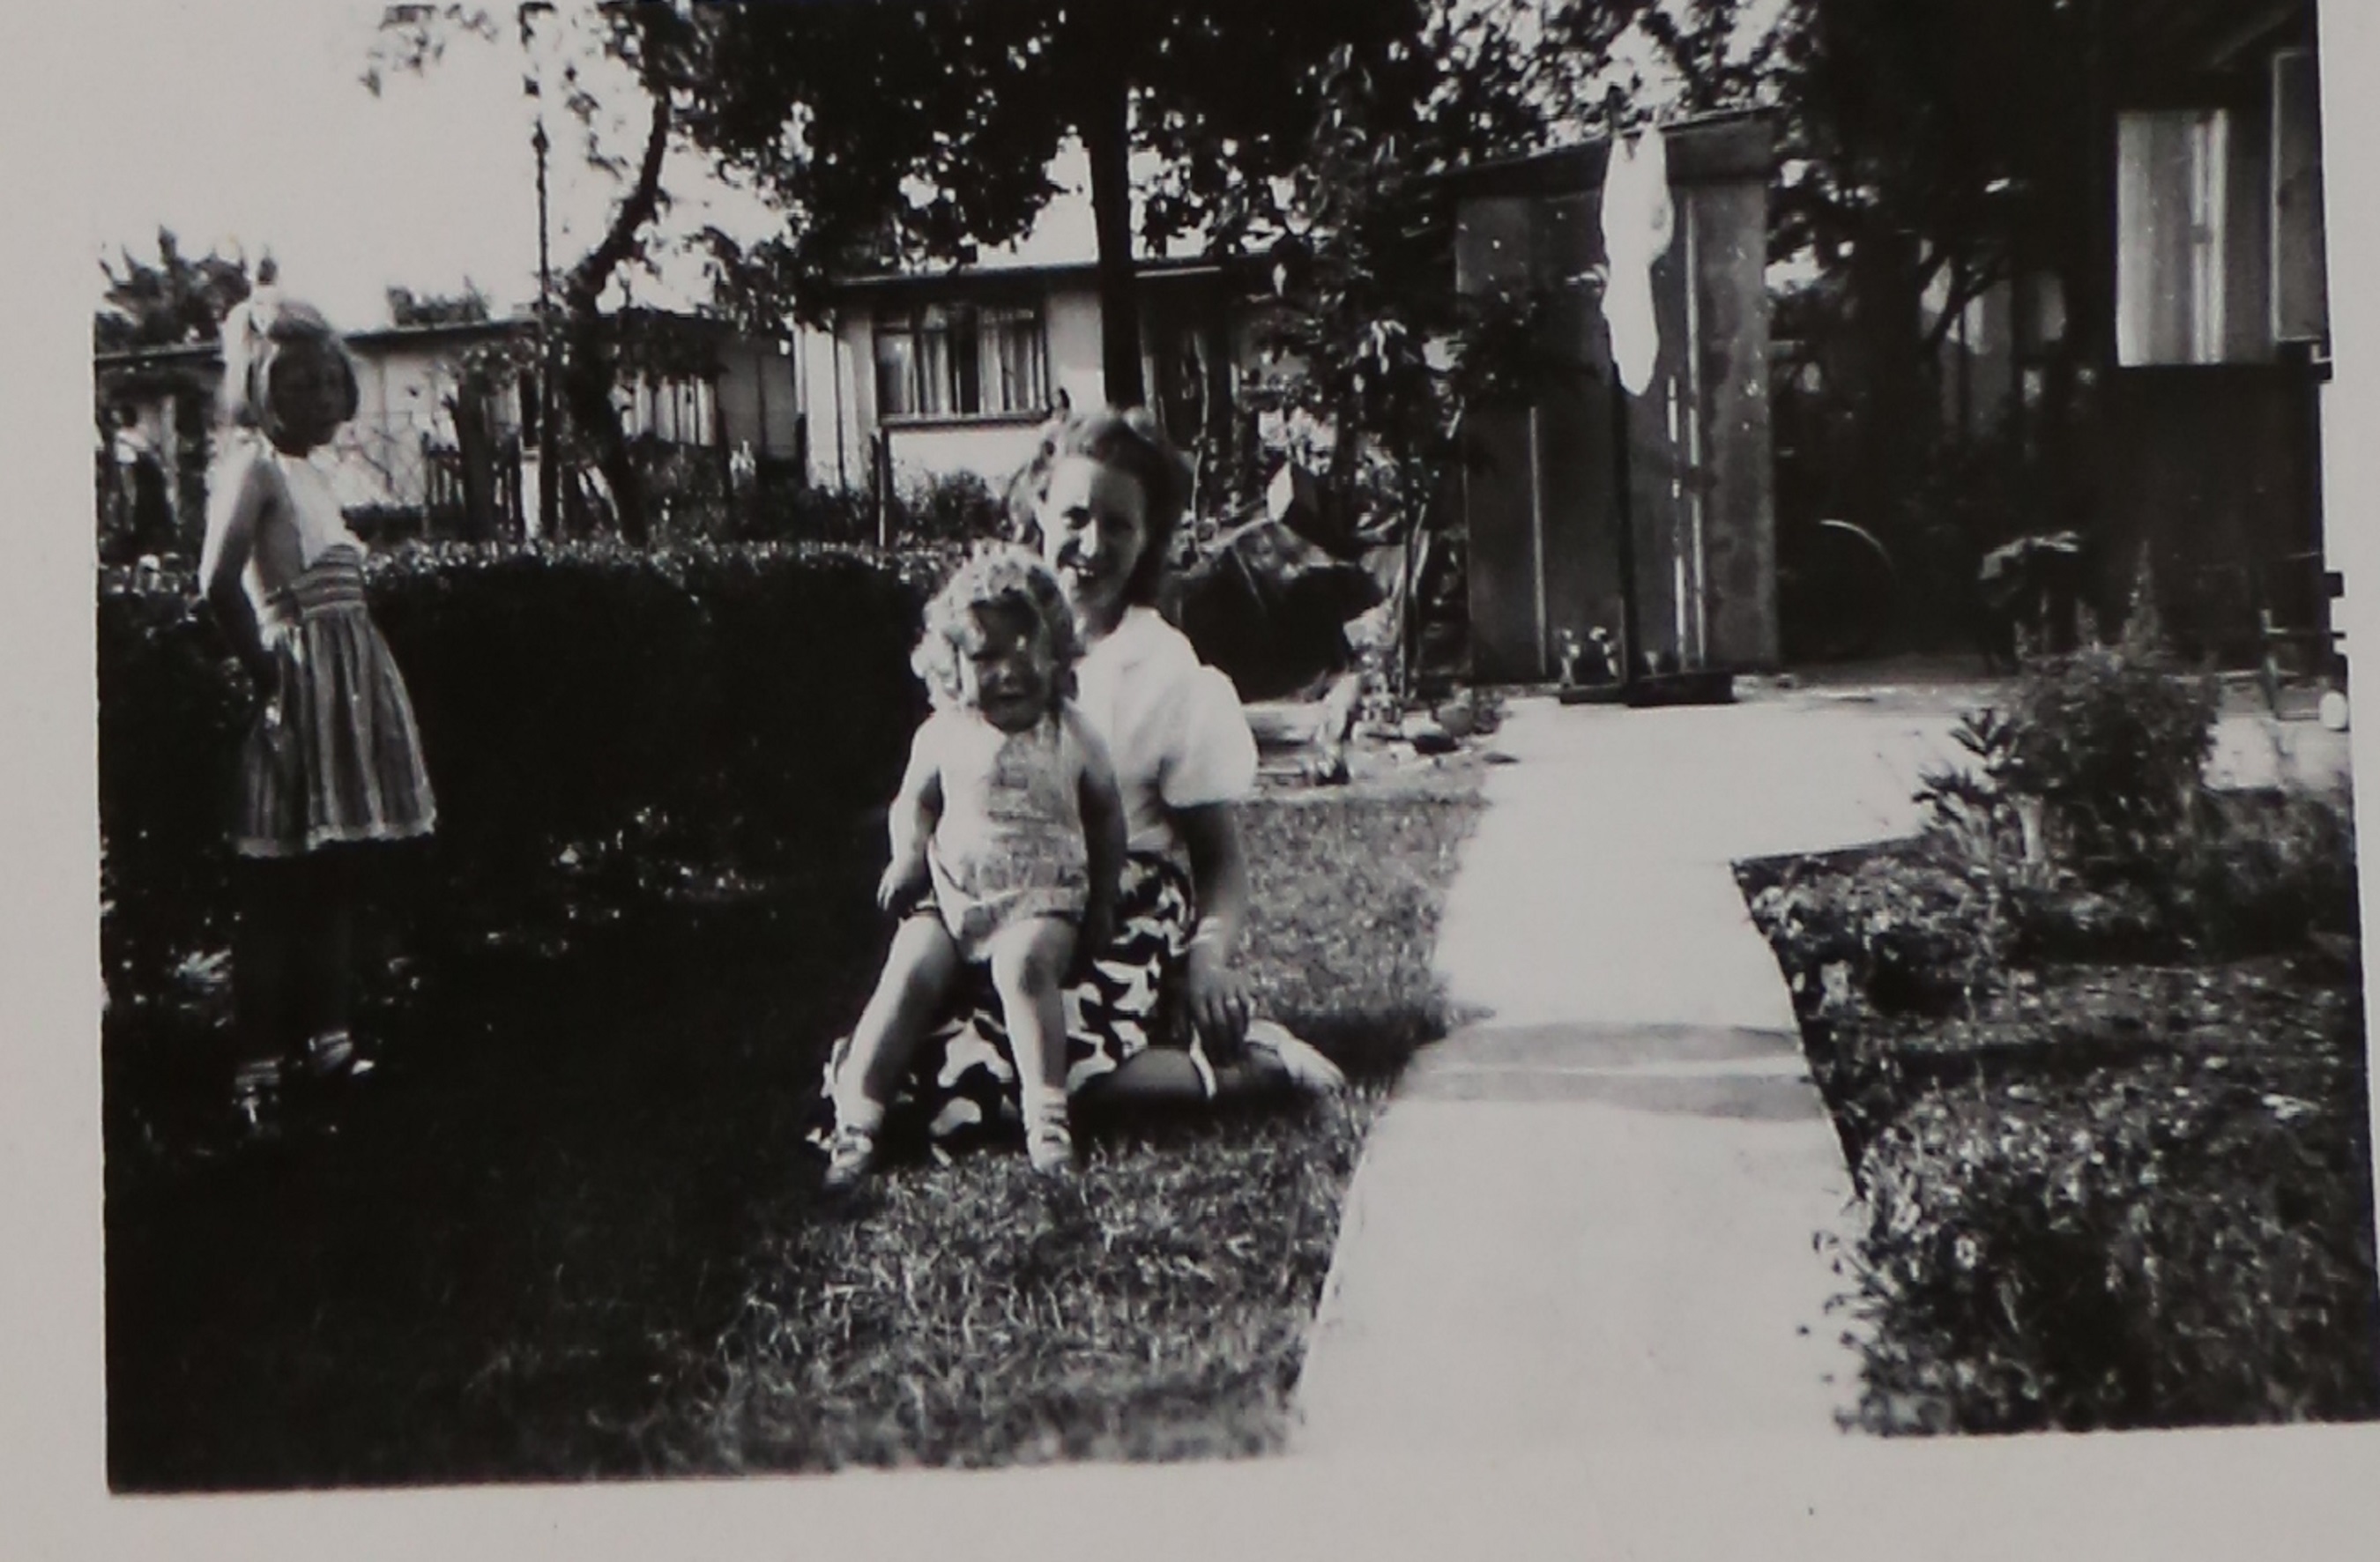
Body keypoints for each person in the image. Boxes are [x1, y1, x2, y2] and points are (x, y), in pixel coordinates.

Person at [816, 406, 1343, 1171]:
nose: (1091, 545)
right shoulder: (992, 639)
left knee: (1033, 1062)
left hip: (1115, 901)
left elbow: (1220, 863)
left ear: (1149, 536)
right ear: (1037, 510)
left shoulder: (1166, 673)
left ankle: (1242, 1070)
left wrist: (1208, 958)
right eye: (1073, 516)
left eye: (1118, 526)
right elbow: (946, 774)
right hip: (995, 893)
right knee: (902, 1071)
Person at [197, 286, 438, 1141]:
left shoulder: (315, 474)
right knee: (273, 891)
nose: (316, 400)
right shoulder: (253, 467)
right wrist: (271, 681)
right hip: (298, 697)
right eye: (293, 385)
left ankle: (331, 1048)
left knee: (333, 878)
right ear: (255, 389)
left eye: (326, 384)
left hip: (347, 694)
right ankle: (257, 1069)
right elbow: (218, 582)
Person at [822, 548, 1126, 1185]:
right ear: (953, 663)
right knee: (908, 968)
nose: (1010, 674)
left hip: (1041, 897)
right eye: (987, 657)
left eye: (1026, 653)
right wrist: (908, 854)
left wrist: (1101, 899)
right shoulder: (943, 732)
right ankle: (857, 1117)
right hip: (954, 893)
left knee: (1024, 966)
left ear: (1056, 654)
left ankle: (1046, 1116)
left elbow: (1105, 814)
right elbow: (916, 802)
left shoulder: (1071, 732)